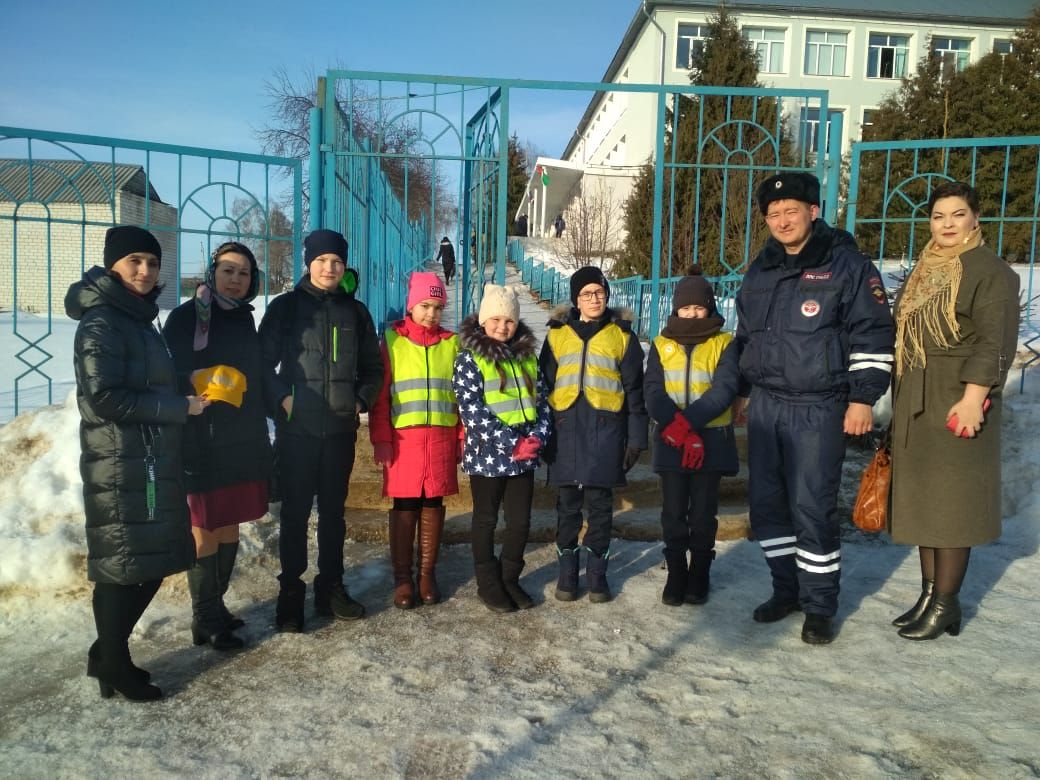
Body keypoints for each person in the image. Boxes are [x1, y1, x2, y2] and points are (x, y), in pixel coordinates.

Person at [735, 172, 894, 645]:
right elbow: (746, 336)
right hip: (766, 406)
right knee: (767, 507)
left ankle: (820, 605)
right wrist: (744, 389)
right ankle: (786, 590)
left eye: (792, 210)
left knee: (813, 508)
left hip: (819, 407)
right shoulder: (760, 270)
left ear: (813, 211)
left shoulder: (847, 266)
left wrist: (863, 397)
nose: (783, 220)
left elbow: (873, 333)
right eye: (774, 213)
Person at [65, 225, 207, 701]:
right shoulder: (102, 322)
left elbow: (144, 380)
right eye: (134, 263)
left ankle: (109, 656)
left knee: (149, 558)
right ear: (113, 267)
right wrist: (177, 408)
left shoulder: (138, 318)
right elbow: (104, 397)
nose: (145, 271)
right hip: (121, 461)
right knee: (125, 564)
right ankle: (111, 659)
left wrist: (185, 384)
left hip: (145, 455)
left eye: (151, 262)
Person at [888, 181, 1020, 640]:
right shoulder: (927, 267)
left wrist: (972, 398)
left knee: (952, 507)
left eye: (957, 214)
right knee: (927, 505)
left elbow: (993, 341)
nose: (947, 224)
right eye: (939, 215)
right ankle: (930, 596)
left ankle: (945, 602)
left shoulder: (992, 271)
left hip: (959, 398)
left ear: (976, 218)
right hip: (918, 399)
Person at [258, 229, 383, 632]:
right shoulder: (286, 308)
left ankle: (331, 587)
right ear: (308, 263)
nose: (329, 268)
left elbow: (373, 368)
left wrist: (360, 401)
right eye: (321, 261)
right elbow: (261, 366)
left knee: (333, 514)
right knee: (294, 515)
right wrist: (283, 400)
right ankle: (289, 595)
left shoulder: (356, 312)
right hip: (298, 432)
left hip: (340, 431)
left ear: (344, 266)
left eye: (337, 262)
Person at [163, 241, 272, 651]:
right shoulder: (187, 316)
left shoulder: (244, 319)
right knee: (205, 524)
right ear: (213, 272)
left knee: (230, 520)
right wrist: (196, 377)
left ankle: (217, 606)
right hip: (202, 436)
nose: (235, 279)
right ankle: (204, 616)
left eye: (243, 273)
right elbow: (165, 369)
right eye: (228, 270)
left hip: (241, 435)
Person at [540, 266, 648, 603]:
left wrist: (636, 438)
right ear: (576, 299)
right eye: (587, 294)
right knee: (568, 504)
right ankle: (568, 571)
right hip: (565, 430)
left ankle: (597, 572)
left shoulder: (622, 336)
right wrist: (541, 432)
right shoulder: (557, 334)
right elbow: (542, 386)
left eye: (600, 293)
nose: (594, 299)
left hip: (606, 431)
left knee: (601, 506)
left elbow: (635, 391)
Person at [644, 266, 740, 606]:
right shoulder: (661, 343)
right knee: (672, 511)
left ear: (710, 308)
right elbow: (653, 391)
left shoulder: (724, 343)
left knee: (702, 511)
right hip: (672, 442)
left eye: (699, 308)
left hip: (710, 441)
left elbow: (724, 389)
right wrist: (679, 429)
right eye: (686, 308)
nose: (692, 314)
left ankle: (699, 570)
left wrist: (690, 426)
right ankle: (676, 570)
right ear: (676, 309)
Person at [452, 284, 552, 612]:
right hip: (488, 455)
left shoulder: (526, 357)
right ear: (482, 321)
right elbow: (472, 409)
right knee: (485, 519)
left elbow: (542, 401)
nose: (502, 326)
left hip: (524, 457)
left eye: (508, 320)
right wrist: (513, 442)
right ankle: (488, 582)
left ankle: (510, 576)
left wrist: (538, 437)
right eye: (495, 319)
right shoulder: (469, 359)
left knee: (520, 521)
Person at [370, 271, 462, 609]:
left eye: (438, 307)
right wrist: (381, 439)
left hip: (440, 437)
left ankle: (427, 573)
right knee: (405, 504)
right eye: (425, 305)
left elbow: (462, 396)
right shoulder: (392, 341)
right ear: (412, 306)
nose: (431, 314)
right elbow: (381, 398)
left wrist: (461, 437)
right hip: (403, 440)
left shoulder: (452, 343)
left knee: (433, 503)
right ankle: (402, 578)